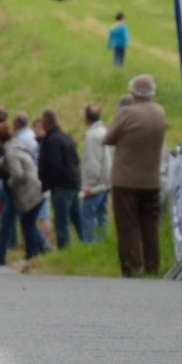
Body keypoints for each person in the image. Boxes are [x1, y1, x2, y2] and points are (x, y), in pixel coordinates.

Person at [103, 74, 167, 277]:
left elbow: (107, 138)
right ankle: (152, 266)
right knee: (150, 226)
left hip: (126, 180)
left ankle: (132, 266)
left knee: (128, 226)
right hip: (152, 180)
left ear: (133, 92)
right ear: (152, 92)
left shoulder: (127, 113)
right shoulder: (160, 112)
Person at [0, 122, 46, 265]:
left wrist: (8, 184)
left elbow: (18, 174)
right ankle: (41, 248)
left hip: (26, 192)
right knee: (24, 222)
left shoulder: (10, 151)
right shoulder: (15, 145)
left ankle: (31, 252)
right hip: (36, 188)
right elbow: (5, 160)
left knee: (23, 222)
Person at [38, 108, 83, 247]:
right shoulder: (66, 137)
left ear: (46, 123)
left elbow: (54, 166)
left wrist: (48, 184)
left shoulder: (51, 141)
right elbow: (76, 160)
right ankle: (87, 243)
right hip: (74, 183)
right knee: (77, 217)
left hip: (61, 186)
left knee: (61, 222)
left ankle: (65, 249)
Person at [79, 103, 111, 238]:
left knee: (87, 215)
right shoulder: (104, 131)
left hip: (95, 185)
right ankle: (103, 242)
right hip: (106, 182)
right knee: (101, 215)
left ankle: (91, 245)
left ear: (87, 118)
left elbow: (93, 162)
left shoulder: (92, 135)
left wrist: (90, 186)